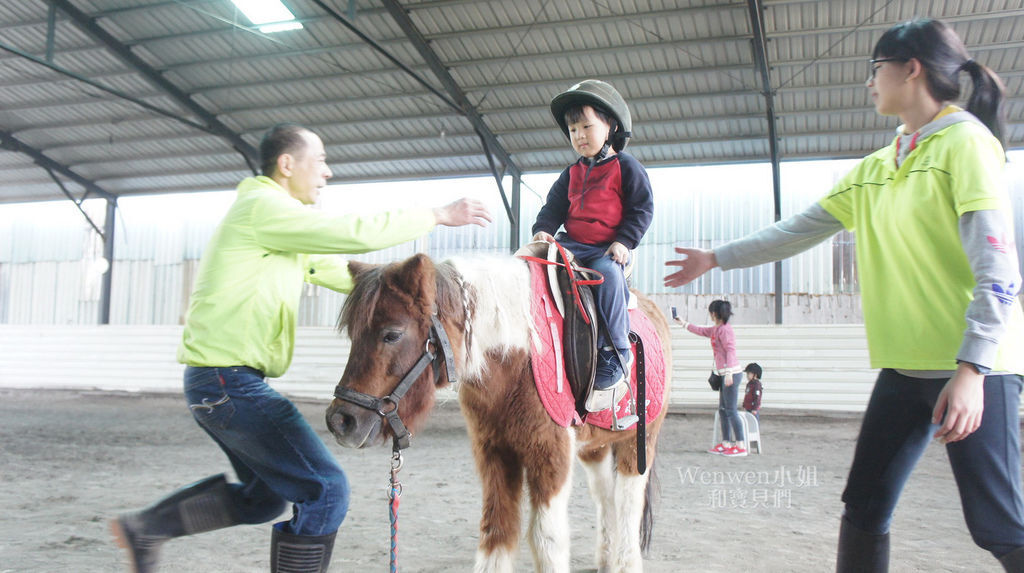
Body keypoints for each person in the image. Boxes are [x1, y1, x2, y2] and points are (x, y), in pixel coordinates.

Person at [664, 18, 1024, 572]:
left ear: (911, 69)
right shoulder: (877, 168)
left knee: (996, 525)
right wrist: (717, 259)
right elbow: (797, 229)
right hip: (905, 371)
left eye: (875, 68)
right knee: (864, 507)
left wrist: (973, 370)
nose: (869, 82)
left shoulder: (967, 145)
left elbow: (999, 271)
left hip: (978, 369)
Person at [111, 123, 493, 573]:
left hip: (219, 384)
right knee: (326, 491)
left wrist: (425, 286)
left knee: (263, 498)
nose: (327, 173)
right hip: (228, 383)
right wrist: (436, 214)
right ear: (287, 164)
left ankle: (147, 527)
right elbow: (347, 234)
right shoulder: (262, 208)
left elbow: (349, 273)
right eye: (321, 161)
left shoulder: (278, 231)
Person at [530, 79, 654, 412]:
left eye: (587, 126)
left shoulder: (627, 168)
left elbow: (642, 209)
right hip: (571, 245)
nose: (580, 136)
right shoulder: (569, 174)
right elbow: (552, 209)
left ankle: (615, 352)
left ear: (610, 125)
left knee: (605, 276)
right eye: (573, 130)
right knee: (529, 263)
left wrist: (624, 242)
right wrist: (543, 230)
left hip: (605, 250)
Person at [676, 300, 746, 457]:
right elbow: (701, 331)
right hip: (724, 374)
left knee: (731, 410)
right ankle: (727, 443)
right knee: (723, 410)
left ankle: (741, 445)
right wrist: (683, 323)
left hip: (731, 374)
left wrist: (728, 372)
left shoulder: (725, 330)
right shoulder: (717, 329)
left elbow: (730, 350)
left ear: (714, 313)